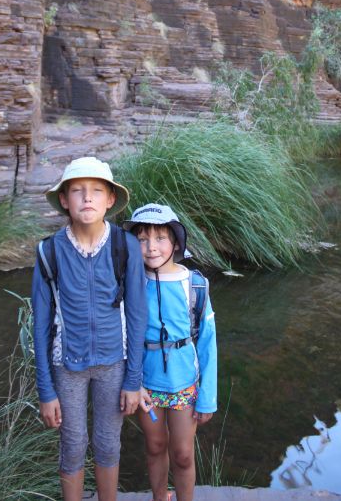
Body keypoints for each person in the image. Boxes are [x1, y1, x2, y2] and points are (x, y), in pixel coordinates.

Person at [31, 156, 147, 501]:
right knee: (72, 444)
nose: (87, 198)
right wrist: (45, 390)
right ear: (64, 200)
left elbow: (138, 315)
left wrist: (133, 380)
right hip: (66, 366)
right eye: (78, 191)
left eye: (97, 190)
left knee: (109, 443)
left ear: (110, 199)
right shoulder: (49, 251)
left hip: (114, 362)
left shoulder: (124, 246)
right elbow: (40, 325)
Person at [122, 204, 217, 501]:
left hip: (184, 383)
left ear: (176, 242)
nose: (151, 248)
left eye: (161, 238)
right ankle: (160, 496)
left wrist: (208, 397)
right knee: (154, 446)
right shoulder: (130, 283)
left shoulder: (196, 284)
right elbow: (123, 339)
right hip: (146, 384)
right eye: (142, 239)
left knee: (184, 454)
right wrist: (133, 383)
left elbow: (208, 343)